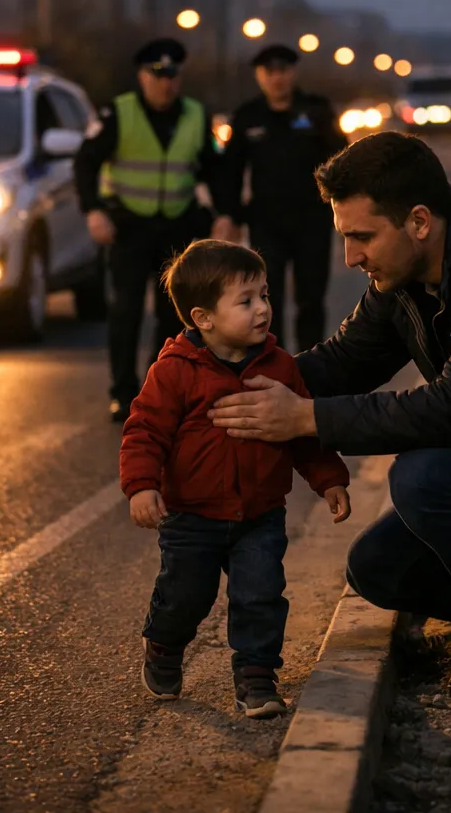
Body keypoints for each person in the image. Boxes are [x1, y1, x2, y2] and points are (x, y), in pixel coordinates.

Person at [209, 132, 451, 703]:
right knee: (377, 569)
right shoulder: (406, 274)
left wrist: (306, 420)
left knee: (425, 478)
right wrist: (224, 382)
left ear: (419, 221)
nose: (351, 257)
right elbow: (344, 360)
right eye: (346, 238)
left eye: (362, 237)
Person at [120, 239, 351, 717]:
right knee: (186, 595)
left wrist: (329, 478)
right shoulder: (176, 371)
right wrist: (142, 485)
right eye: (246, 301)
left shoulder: (280, 366)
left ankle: (256, 678)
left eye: (264, 295)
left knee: (260, 594)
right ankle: (163, 644)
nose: (263, 309)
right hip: (192, 516)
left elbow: (303, 433)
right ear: (203, 318)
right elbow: (145, 429)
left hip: (260, 513)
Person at [74, 39, 237, 423]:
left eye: (172, 75)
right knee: (125, 311)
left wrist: (225, 213)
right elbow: (85, 162)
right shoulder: (118, 113)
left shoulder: (196, 115)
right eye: (157, 75)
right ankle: (122, 393)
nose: (166, 84)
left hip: (177, 228)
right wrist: (94, 211)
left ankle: (156, 390)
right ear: (141, 76)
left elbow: (216, 169)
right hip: (129, 228)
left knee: (173, 317)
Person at [212, 44, 345, 351]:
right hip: (266, 223)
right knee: (266, 301)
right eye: (269, 72)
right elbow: (230, 170)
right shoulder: (248, 117)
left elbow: (341, 162)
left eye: (282, 70)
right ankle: (274, 366)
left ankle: (310, 368)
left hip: (312, 220)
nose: (277, 78)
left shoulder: (316, 111)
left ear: (293, 72)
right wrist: (229, 213)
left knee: (311, 298)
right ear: (259, 76)